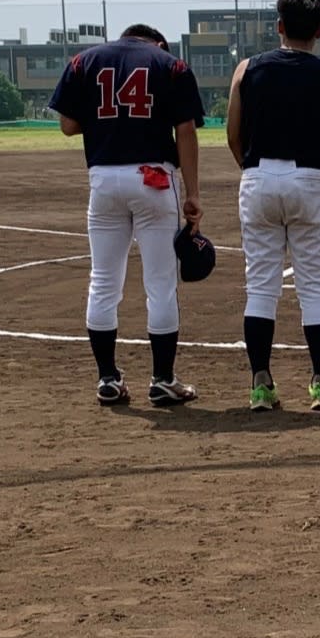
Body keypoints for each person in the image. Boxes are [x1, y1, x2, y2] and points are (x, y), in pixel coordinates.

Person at [49, 23, 205, 407]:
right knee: (160, 283)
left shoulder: (84, 61)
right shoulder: (171, 66)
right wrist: (193, 192)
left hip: (103, 179)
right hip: (153, 178)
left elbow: (68, 125)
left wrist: (109, 122)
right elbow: (185, 131)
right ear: (156, 43)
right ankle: (163, 379)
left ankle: (107, 378)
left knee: (103, 280)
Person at [225, 0, 320, 412]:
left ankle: (261, 384)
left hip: (258, 174)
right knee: (314, 288)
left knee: (260, 285)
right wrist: (319, 181)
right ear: (319, 31)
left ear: (278, 26)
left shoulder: (246, 70)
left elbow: (233, 135)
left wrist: (254, 170)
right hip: (307, 174)